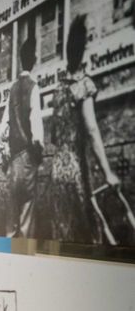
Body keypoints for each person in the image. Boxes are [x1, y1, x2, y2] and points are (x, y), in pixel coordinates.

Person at [46, 15, 122, 244]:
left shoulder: (59, 90)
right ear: (82, 52)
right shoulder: (85, 85)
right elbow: (91, 129)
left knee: (63, 235)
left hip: (57, 173)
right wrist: (108, 172)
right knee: (88, 238)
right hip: (77, 170)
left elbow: (55, 136)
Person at [0, 34, 44, 238]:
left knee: (11, 218)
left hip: (12, 160)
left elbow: (4, 127)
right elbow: (36, 124)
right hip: (27, 158)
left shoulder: (12, 89)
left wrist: (5, 153)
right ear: (33, 60)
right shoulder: (33, 88)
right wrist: (38, 153)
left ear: (20, 61)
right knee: (27, 215)